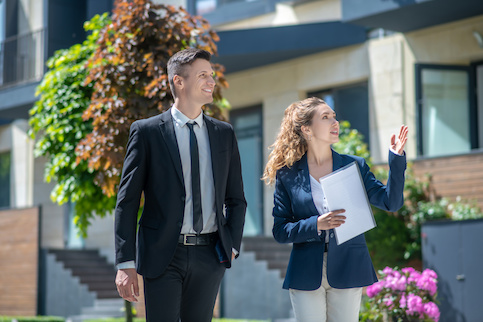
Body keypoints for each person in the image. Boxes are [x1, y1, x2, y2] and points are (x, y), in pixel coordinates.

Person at [114, 48, 247, 322]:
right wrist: (125, 263)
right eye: (203, 75)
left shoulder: (224, 133)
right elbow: (127, 201)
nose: (212, 81)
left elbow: (236, 198)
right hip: (163, 254)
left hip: (211, 254)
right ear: (179, 81)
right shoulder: (147, 131)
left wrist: (231, 245)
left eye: (211, 75)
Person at [262, 97, 408, 322]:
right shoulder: (288, 175)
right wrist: (316, 224)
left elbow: (391, 202)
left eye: (334, 116)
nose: (335, 122)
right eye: (325, 117)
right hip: (306, 270)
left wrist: (396, 160)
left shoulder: (354, 165)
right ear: (307, 129)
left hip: (349, 265)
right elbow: (280, 231)